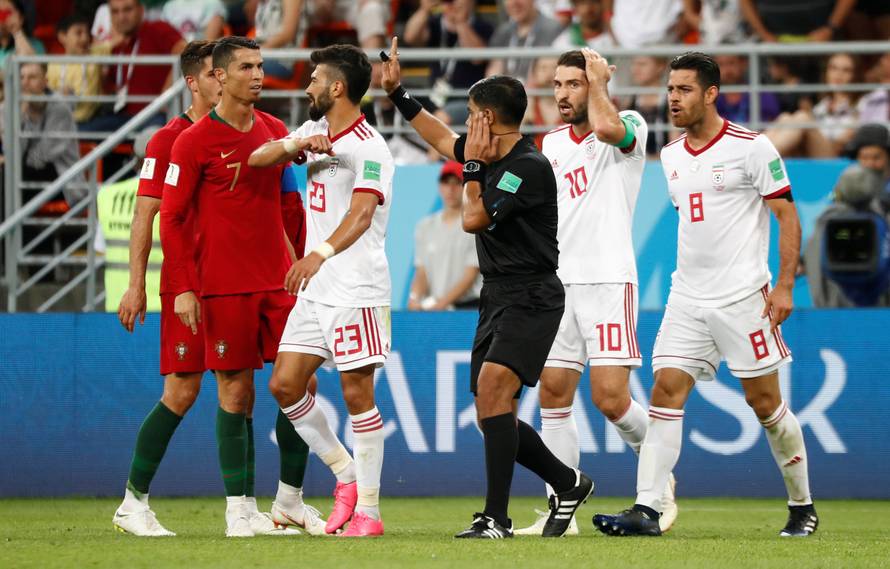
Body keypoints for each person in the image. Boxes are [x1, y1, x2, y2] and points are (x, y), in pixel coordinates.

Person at [593, 52, 817, 538]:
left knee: (766, 408)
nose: (673, 98)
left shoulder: (753, 148)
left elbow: (787, 217)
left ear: (711, 93)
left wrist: (783, 285)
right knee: (665, 392)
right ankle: (648, 509)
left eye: (684, 90)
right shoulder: (671, 155)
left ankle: (802, 505)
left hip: (744, 300)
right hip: (687, 298)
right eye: (671, 89)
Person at [383, 36, 593, 539]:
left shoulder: (527, 167)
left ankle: (495, 517)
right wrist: (398, 96)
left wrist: (472, 166)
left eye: (473, 113)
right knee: (489, 410)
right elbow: (439, 139)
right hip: (497, 295)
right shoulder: (488, 153)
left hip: (533, 294)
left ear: (490, 119)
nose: (466, 123)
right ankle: (567, 483)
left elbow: (472, 218)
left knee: (496, 390)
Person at [113, 39, 323, 538]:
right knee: (187, 391)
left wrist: (299, 263)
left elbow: (288, 206)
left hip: (270, 280)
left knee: (295, 384)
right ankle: (136, 501)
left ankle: (280, 503)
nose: (253, 75)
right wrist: (140, 285)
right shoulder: (173, 141)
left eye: (258, 66)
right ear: (203, 79)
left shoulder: (272, 131)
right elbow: (156, 214)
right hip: (202, 284)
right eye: (234, 69)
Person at [514, 48, 678, 537]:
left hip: (609, 280)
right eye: (559, 84)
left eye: (574, 84)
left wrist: (602, 85)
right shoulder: (552, 143)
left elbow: (608, 130)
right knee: (553, 394)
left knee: (610, 398)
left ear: (596, 85)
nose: (562, 94)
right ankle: (559, 514)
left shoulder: (626, 124)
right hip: (560, 284)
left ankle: (657, 482)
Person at [250, 44, 393, 538]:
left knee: (358, 395)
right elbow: (257, 159)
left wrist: (318, 253)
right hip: (316, 291)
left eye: (314, 79)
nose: (306, 86)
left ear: (337, 87)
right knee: (285, 385)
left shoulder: (370, 146)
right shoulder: (312, 132)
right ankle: (347, 474)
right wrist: (294, 146)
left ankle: (369, 513)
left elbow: (362, 213)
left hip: (355, 287)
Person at [80, 0, 186, 133]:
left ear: (141, 10)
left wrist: (166, 93)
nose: (121, 17)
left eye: (127, 10)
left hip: (154, 115)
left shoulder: (157, 28)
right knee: (77, 131)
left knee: (153, 136)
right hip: (121, 117)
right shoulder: (115, 46)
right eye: (115, 12)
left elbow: (186, 51)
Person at [0, 63, 80, 204]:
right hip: (23, 171)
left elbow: (42, 157)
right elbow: (11, 152)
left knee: (9, 177)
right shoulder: (8, 108)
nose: (25, 82)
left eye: (32, 78)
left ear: (45, 82)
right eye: (21, 77)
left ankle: (11, 226)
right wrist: (19, 116)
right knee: (7, 176)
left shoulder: (59, 108)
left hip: (60, 176)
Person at [408, 160, 481, 311]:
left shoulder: (475, 225)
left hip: (469, 307)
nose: (450, 189)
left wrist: (441, 305)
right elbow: (422, 271)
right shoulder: (425, 226)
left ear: (466, 187)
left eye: (457, 183)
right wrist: (414, 299)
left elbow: (471, 274)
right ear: (439, 186)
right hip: (439, 308)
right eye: (446, 183)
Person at [766, 53, 860, 158]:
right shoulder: (822, 105)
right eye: (833, 68)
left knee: (803, 117)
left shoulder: (860, 105)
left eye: (846, 70)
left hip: (836, 157)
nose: (838, 74)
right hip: (813, 152)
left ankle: (760, 158)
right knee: (785, 117)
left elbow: (840, 144)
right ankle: (754, 152)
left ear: (855, 75)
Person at [48, 13, 108, 125]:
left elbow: (120, 37)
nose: (85, 38)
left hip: (92, 120)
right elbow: (49, 95)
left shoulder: (96, 53)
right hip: (63, 123)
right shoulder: (54, 64)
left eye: (87, 32)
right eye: (78, 33)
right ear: (62, 36)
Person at [486, 0, 564, 82]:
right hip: (509, 91)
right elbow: (494, 70)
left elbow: (550, 75)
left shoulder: (553, 29)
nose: (514, 3)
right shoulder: (503, 32)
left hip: (537, 93)